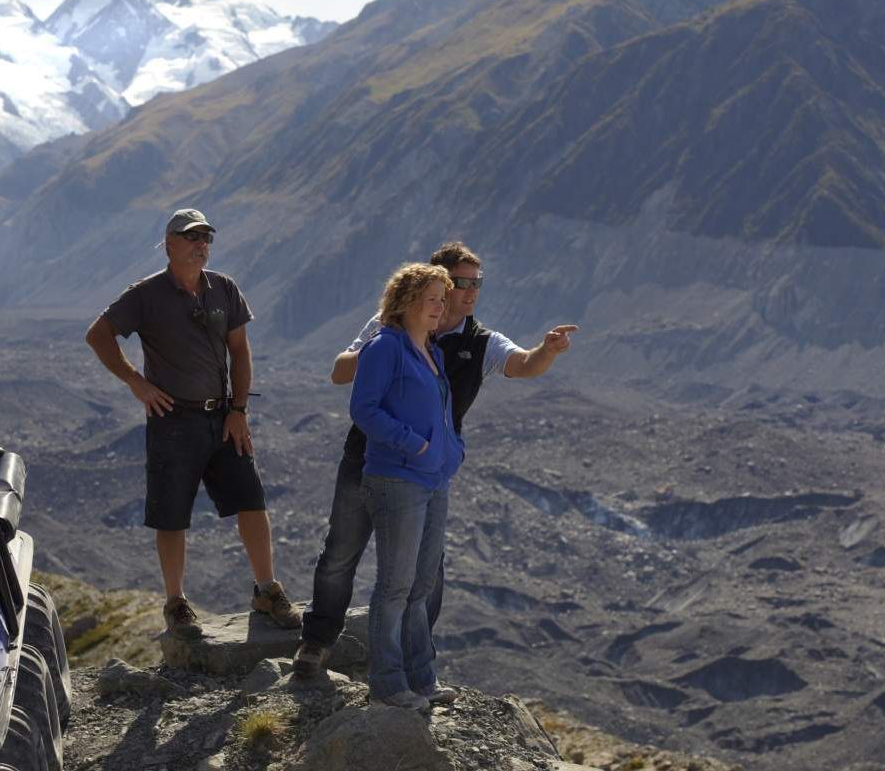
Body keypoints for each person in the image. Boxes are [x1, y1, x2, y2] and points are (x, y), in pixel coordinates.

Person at [295, 241, 577, 684]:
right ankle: (317, 643)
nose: (469, 292)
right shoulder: (389, 328)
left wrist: (548, 350)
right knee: (341, 553)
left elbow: (523, 365)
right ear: (438, 281)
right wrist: (387, 345)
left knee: (426, 573)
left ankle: (412, 664)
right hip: (368, 458)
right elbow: (341, 372)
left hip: (426, 473)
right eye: (460, 282)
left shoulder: (479, 340)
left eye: (476, 283)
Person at [85, 207, 302, 638]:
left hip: (222, 417)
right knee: (171, 514)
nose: (201, 244)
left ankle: (266, 589)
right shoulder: (145, 295)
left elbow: (239, 351)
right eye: (191, 237)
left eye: (206, 237)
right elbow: (98, 334)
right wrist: (136, 383)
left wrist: (238, 411)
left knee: (251, 501)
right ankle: (176, 603)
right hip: (173, 419)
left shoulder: (224, 288)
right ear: (169, 245)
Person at [350, 262, 464, 711]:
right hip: (396, 479)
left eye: (443, 299)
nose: (441, 307)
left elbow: (441, 413)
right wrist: (415, 445)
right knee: (395, 587)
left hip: (434, 480)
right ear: (407, 301)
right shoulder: (385, 347)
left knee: (420, 587)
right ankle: (388, 683)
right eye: (432, 298)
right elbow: (364, 408)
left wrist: (451, 450)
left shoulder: (431, 351)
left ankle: (422, 679)